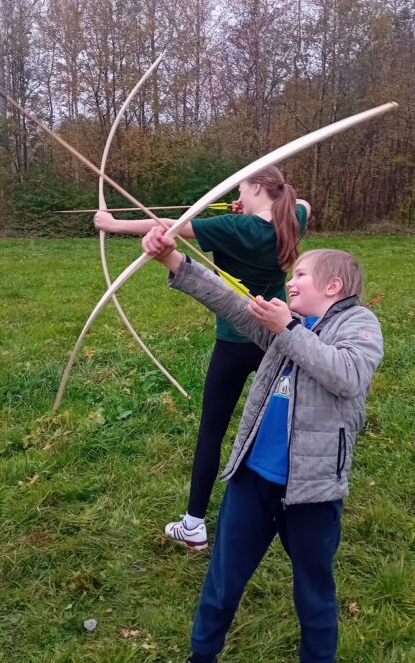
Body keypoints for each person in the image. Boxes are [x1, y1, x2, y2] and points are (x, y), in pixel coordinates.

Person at [142, 227, 384, 663]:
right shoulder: (283, 324)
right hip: (253, 480)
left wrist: (288, 327)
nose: (290, 282)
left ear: (333, 286)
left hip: (312, 491)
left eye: (301, 275)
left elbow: (347, 376)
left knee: (313, 591)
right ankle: (202, 654)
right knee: (223, 580)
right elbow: (233, 303)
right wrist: (172, 261)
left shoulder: (359, 323)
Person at [94, 167, 310, 549]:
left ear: (256, 187)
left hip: (233, 340)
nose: (238, 192)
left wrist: (111, 224)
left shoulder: (233, 226)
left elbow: (168, 226)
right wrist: (254, 206)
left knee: (212, 430)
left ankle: (194, 524)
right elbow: (303, 203)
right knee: (282, 426)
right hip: (275, 340)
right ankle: (291, 511)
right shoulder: (294, 217)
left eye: (242, 185)